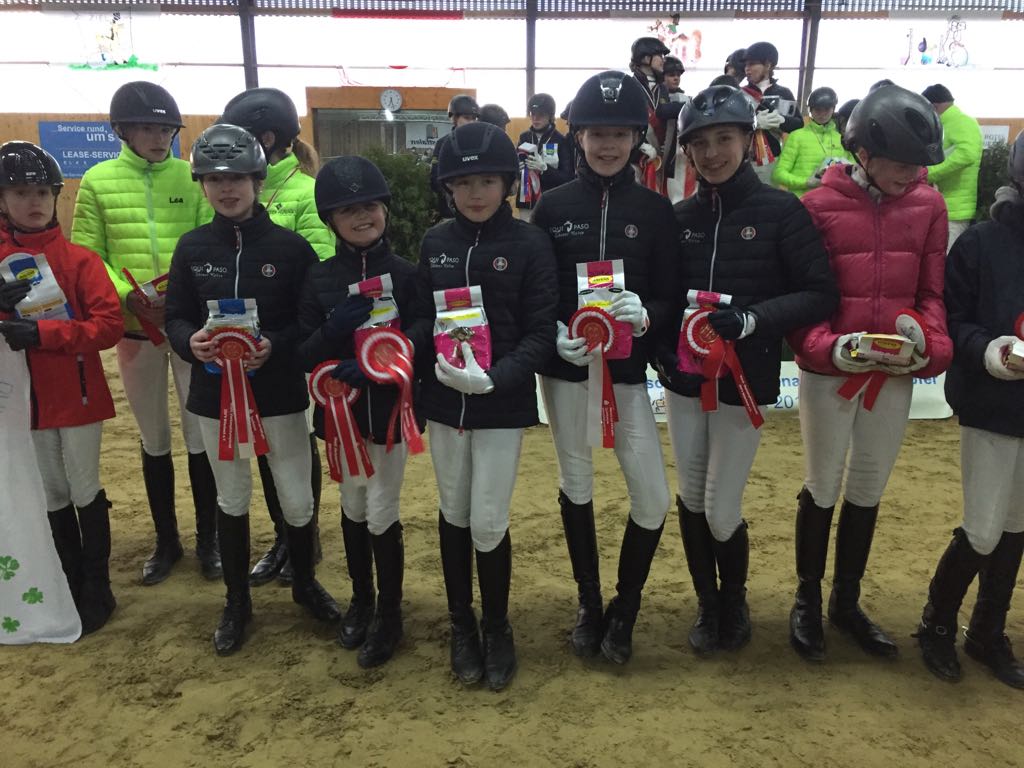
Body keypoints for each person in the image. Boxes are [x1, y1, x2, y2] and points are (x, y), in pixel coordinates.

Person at [658, 85, 837, 657]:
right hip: (685, 381)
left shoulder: (783, 212)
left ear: (747, 140)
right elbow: (664, 297)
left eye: (724, 139)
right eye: (700, 144)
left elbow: (819, 292)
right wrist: (661, 347)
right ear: (687, 151)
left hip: (744, 381)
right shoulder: (678, 219)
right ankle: (708, 604)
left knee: (720, 505)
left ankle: (733, 600)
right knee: (690, 496)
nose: (712, 153)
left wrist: (753, 320)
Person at [787, 85, 952, 663]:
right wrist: (829, 348)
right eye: (901, 163)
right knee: (823, 483)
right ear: (864, 153)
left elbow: (932, 294)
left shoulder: (930, 208)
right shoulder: (816, 207)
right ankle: (807, 599)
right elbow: (805, 299)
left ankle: (846, 601)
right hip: (833, 370)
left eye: (918, 164)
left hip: (895, 376)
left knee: (867, 487)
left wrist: (929, 346)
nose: (912, 173)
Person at [164, 124, 340, 655]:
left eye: (237, 177)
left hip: (278, 392)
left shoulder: (291, 249)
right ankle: (237, 601)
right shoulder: (191, 247)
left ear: (257, 180)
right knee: (232, 496)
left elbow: (307, 321)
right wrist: (189, 341)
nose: (227, 188)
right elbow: (176, 315)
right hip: (213, 397)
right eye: (215, 179)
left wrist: (275, 345)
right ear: (202, 185)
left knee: (296, 495)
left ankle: (305, 582)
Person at [532, 71, 677, 665]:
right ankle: (589, 602)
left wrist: (647, 316)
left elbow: (669, 294)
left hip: (625, 374)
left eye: (619, 133)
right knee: (577, 482)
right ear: (580, 136)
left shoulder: (656, 210)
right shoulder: (552, 206)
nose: (608, 145)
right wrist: (553, 332)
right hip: (567, 370)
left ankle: (627, 604)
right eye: (597, 133)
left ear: (636, 137)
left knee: (653, 497)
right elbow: (537, 291)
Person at [408, 121, 557, 690]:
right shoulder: (435, 243)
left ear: (507, 184)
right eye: (464, 182)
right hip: (445, 401)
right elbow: (424, 317)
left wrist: (495, 380)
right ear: (448, 186)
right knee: (453, 510)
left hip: (501, 402)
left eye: (488, 181)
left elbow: (540, 331)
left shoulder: (529, 243)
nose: (475, 193)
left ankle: (497, 625)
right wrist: (401, 352)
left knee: (489, 518)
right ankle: (460, 623)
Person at [71, 81, 219, 587]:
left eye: (166, 130)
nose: (160, 138)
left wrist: (177, 302)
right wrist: (125, 296)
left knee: (199, 432)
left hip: (186, 327)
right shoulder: (97, 181)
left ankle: (209, 538)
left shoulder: (190, 176)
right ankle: (166, 539)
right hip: (135, 330)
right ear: (123, 130)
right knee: (154, 437)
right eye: (149, 129)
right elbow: (88, 255)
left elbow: (206, 243)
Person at [296, 156, 420, 669]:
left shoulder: (408, 275)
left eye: (369, 206)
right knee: (352, 504)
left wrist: (378, 366)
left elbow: (422, 336)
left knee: (382, 506)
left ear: (383, 209)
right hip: (340, 413)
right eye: (348, 210)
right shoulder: (319, 279)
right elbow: (303, 352)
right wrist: (333, 329)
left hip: (390, 413)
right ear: (331, 219)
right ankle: (362, 599)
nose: (362, 216)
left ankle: (390, 613)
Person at [0, 142, 124, 634]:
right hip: (21, 402)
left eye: (41, 193)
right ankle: (67, 580)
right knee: (51, 491)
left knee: (83, 486)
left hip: (77, 395)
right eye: (19, 193)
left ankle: (97, 586)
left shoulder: (80, 261)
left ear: (55, 197)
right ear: (3, 200)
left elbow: (108, 326)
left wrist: (45, 334)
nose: (33, 202)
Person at [915, 132, 1024, 689]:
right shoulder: (981, 242)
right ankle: (936, 623)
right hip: (992, 403)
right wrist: (988, 351)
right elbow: (951, 318)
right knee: (982, 528)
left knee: (1017, 525)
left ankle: (986, 631)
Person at [221, 87, 333, 588]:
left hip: (288, 341)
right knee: (262, 442)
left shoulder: (306, 191)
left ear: (266, 138)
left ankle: (304, 537)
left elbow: (320, 263)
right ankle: (282, 538)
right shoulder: (237, 189)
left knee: (294, 443)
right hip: (240, 345)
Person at [921, 84, 983, 251]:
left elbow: (967, 154)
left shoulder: (962, 121)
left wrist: (929, 173)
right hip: (946, 204)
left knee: (947, 260)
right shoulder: (948, 123)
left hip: (955, 209)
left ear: (933, 107)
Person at [772, 87, 853, 197]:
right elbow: (778, 174)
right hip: (802, 201)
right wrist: (806, 182)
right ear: (810, 110)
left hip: (832, 200)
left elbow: (853, 170)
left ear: (833, 109)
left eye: (827, 109)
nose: (822, 114)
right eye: (818, 109)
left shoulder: (841, 139)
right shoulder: (796, 136)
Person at [742, 42, 803, 184]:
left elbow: (798, 124)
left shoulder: (783, 93)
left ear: (768, 65)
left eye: (752, 64)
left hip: (772, 159)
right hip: (744, 160)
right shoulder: (740, 94)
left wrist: (782, 120)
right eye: (746, 65)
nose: (747, 69)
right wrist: (753, 123)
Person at [516, 93, 572, 221]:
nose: (535, 118)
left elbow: (567, 178)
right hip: (526, 200)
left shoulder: (560, 141)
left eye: (541, 114)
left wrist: (545, 169)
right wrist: (517, 170)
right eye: (532, 114)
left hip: (551, 201)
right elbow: (516, 169)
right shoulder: (524, 137)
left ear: (550, 116)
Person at [629, 36, 673, 194]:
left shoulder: (662, 88)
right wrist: (639, 145)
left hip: (660, 162)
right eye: (659, 56)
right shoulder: (629, 86)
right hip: (637, 161)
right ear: (646, 58)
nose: (663, 60)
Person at [429, 94, 480, 219]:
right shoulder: (443, 144)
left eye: (474, 118)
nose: (471, 122)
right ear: (454, 118)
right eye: (467, 118)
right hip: (451, 213)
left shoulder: (482, 143)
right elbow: (435, 179)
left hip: (477, 211)